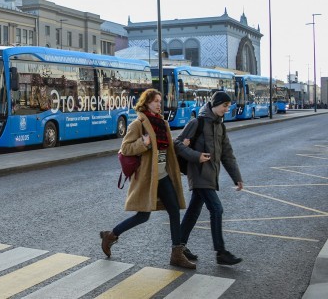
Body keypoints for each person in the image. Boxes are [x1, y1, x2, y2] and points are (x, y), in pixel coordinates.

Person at [99, 89, 195, 269]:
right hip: (148, 178)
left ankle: (176, 253)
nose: (159, 104)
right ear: (146, 103)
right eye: (155, 101)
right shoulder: (138, 124)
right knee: (143, 216)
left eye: (160, 100)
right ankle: (110, 236)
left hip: (163, 175)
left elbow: (163, 148)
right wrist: (143, 143)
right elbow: (125, 149)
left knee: (174, 210)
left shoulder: (162, 123)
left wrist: (178, 144)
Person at [174, 91, 244, 266]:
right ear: (215, 104)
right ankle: (221, 252)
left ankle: (179, 247)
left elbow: (227, 154)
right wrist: (196, 156)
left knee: (193, 211)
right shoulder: (196, 122)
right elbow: (178, 144)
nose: (227, 109)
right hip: (198, 173)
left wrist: (237, 178)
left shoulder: (220, 126)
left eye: (228, 106)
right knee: (216, 209)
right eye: (224, 106)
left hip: (211, 174)